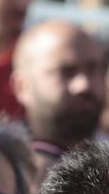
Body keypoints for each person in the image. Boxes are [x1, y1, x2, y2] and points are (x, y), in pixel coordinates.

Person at [11, 20, 103, 171]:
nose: (84, 84)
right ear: (22, 86)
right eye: (66, 71)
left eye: (92, 69)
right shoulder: (0, 167)